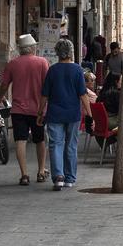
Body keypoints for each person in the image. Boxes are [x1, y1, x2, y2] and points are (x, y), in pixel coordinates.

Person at [0, 34, 51, 186]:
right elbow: (47, 86)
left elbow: (4, 85)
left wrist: (0, 97)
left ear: (20, 49)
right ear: (33, 48)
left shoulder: (12, 64)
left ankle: (24, 174)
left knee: (20, 140)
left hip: (18, 109)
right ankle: (41, 171)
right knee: (40, 140)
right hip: (38, 109)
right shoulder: (42, 62)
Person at [37, 38, 90, 191]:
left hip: (54, 114)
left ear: (57, 53)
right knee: (71, 146)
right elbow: (83, 94)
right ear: (71, 53)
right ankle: (70, 178)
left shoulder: (52, 70)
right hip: (73, 113)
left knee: (55, 145)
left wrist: (40, 112)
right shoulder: (78, 70)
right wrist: (89, 113)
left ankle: (58, 176)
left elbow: (44, 95)